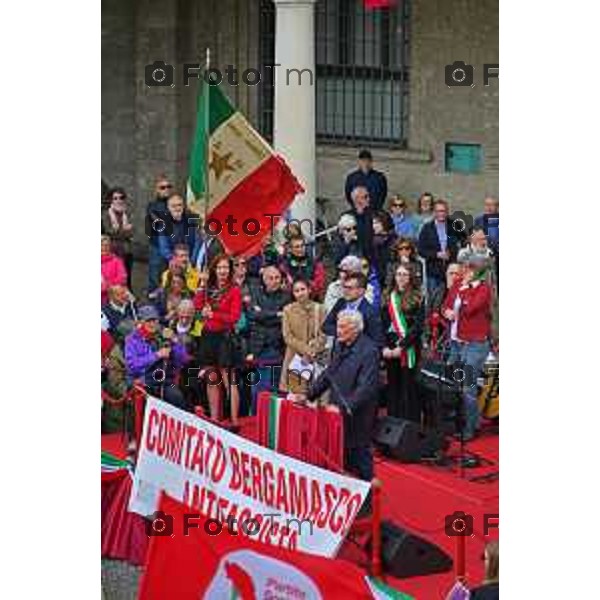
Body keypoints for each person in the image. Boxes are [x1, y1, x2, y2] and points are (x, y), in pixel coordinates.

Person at [298, 310, 380, 484]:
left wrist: (344, 408)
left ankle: (369, 496)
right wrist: (309, 395)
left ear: (356, 328)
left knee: (359, 453)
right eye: (338, 325)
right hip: (336, 408)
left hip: (358, 412)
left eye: (343, 327)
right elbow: (329, 374)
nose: (338, 330)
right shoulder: (339, 344)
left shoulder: (369, 350)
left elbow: (366, 387)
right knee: (339, 452)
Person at [442, 256, 493, 440]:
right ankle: (466, 420)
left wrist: (464, 292)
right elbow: (446, 305)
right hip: (456, 343)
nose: (466, 272)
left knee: (467, 386)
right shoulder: (458, 285)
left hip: (475, 344)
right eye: (465, 268)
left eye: (470, 269)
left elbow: (470, 308)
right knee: (456, 383)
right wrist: (446, 311)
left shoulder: (483, 289)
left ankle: (471, 427)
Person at [193, 254, 243, 429]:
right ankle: (215, 419)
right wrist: (201, 285)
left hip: (224, 338)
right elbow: (197, 306)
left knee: (229, 379)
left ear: (230, 270)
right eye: (219, 267)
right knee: (211, 377)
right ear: (214, 269)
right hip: (208, 336)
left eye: (226, 268)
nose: (222, 271)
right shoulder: (209, 287)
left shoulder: (234, 290)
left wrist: (214, 314)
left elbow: (234, 317)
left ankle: (234, 420)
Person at [124, 305, 190, 411]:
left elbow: (182, 359)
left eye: (155, 320)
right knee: (147, 403)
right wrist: (156, 355)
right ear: (140, 322)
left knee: (178, 398)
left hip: (164, 381)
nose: (152, 324)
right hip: (142, 381)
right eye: (148, 320)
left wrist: (175, 340)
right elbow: (133, 366)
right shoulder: (132, 340)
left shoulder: (163, 335)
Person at [382, 264, 425, 422]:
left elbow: (418, 326)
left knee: (409, 386)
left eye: (405, 274)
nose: (400, 277)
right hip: (390, 345)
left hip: (409, 346)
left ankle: (410, 425)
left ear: (411, 277)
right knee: (393, 386)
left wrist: (403, 345)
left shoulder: (418, 296)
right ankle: (393, 422)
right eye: (398, 274)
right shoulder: (388, 296)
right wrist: (385, 346)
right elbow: (381, 323)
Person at [246, 266, 291, 412]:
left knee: (273, 389)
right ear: (264, 279)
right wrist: (276, 314)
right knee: (256, 390)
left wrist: (263, 314)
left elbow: (285, 318)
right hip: (258, 348)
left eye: (277, 278)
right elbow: (252, 315)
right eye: (271, 278)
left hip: (277, 348)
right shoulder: (256, 293)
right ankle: (256, 419)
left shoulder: (287, 296)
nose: (275, 281)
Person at [280, 278, 327, 393]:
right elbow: (287, 336)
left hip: (315, 357)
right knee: (296, 395)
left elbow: (324, 334)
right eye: (296, 290)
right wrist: (306, 350)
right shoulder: (288, 310)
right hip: (294, 358)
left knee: (314, 396)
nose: (300, 293)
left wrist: (313, 350)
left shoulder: (320, 309)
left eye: (303, 289)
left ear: (309, 290)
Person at [323, 272, 384, 348]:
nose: (345, 291)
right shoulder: (340, 303)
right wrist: (344, 332)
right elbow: (326, 326)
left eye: (350, 288)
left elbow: (377, 341)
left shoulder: (371, 312)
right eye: (344, 287)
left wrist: (351, 336)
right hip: (338, 352)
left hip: (359, 354)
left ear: (361, 291)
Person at [417, 199, 459, 295]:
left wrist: (452, 252)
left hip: (451, 270)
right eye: (439, 211)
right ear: (434, 212)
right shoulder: (427, 228)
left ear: (447, 212)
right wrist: (437, 254)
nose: (441, 214)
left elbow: (462, 242)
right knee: (434, 301)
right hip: (433, 272)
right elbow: (421, 250)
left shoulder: (454, 225)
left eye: (443, 211)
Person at [157, 193, 200, 269]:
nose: (177, 208)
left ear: (183, 206)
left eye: (179, 205)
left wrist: (191, 261)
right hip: (171, 264)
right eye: (173, 206)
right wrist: (173, 260)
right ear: (168, 207)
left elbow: (197, 242)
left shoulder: (192, 221)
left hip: (190, 263)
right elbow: (163, 247)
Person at [101, 187, 134, 288]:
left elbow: (132, 232)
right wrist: (124, 231)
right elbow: (109, 232)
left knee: (127, 279)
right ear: (111, 200)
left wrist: (118, 232)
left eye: (121, 198)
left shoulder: (128, 214)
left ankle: (128, 301)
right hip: (113, 252)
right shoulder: (106, 215)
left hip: (127, 252)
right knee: (113, 280)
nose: (119, 201)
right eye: (115, 198)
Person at [146, 175, 174, 293]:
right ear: (156, 190)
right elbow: (160, 222)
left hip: (172, 244)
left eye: (168, 186)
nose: (166, 189)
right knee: (155, 274)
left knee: (171, 274)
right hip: (156, 245)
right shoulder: (152, 205)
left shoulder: (175, 203)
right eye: (162, 187)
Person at [280, 234, 327, 301]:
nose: (300, 249)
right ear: (290, 249)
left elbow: (319, 285)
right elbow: (283, 285)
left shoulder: (315, 263)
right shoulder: (284, 266)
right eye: (297, 247)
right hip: (290, 302)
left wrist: (305, 286)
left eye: (302, 246)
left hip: (311, 300)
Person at [344, 186, 374, 262]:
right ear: (356, 199)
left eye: (368, 196)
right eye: (365, 197)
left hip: (373, 254)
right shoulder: (346, 216)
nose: (368, 199)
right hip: (353, 255)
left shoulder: (374, 214)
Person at [371, 210, 397, 288]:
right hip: (374, 280)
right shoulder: (369, 241)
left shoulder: (394, 240)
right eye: (372, 223)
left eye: (376, 223)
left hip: (391, 279)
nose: (373, 226)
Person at [101, 234, 127, 305]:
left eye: (107, 245)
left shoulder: (117, 261)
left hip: (115, 298)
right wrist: (111, 285)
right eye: (101, 245)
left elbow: (122, 279)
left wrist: (106, 286)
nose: (104, 248)